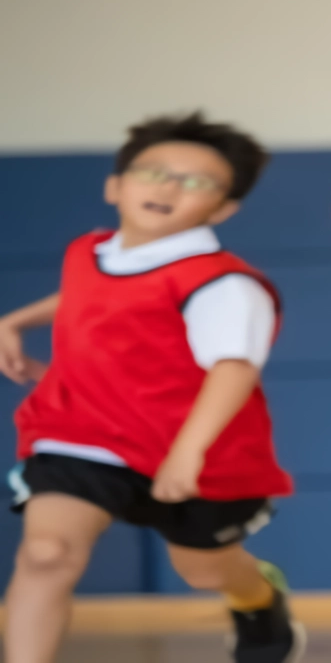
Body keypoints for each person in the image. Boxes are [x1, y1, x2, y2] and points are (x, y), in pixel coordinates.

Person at [0, 112, 301, 663]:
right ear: (115, 185)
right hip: (81, 429)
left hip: (197, 450)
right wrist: (16, 320)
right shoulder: (87, 252)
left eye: (196, 182)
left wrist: (188, 453)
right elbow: (88, 295)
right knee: (45, 554)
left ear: (224, 207)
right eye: (153, 171)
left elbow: (233, 369)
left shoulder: (224, 284)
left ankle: (257, 597)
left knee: (203, 568)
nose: (167, 187)